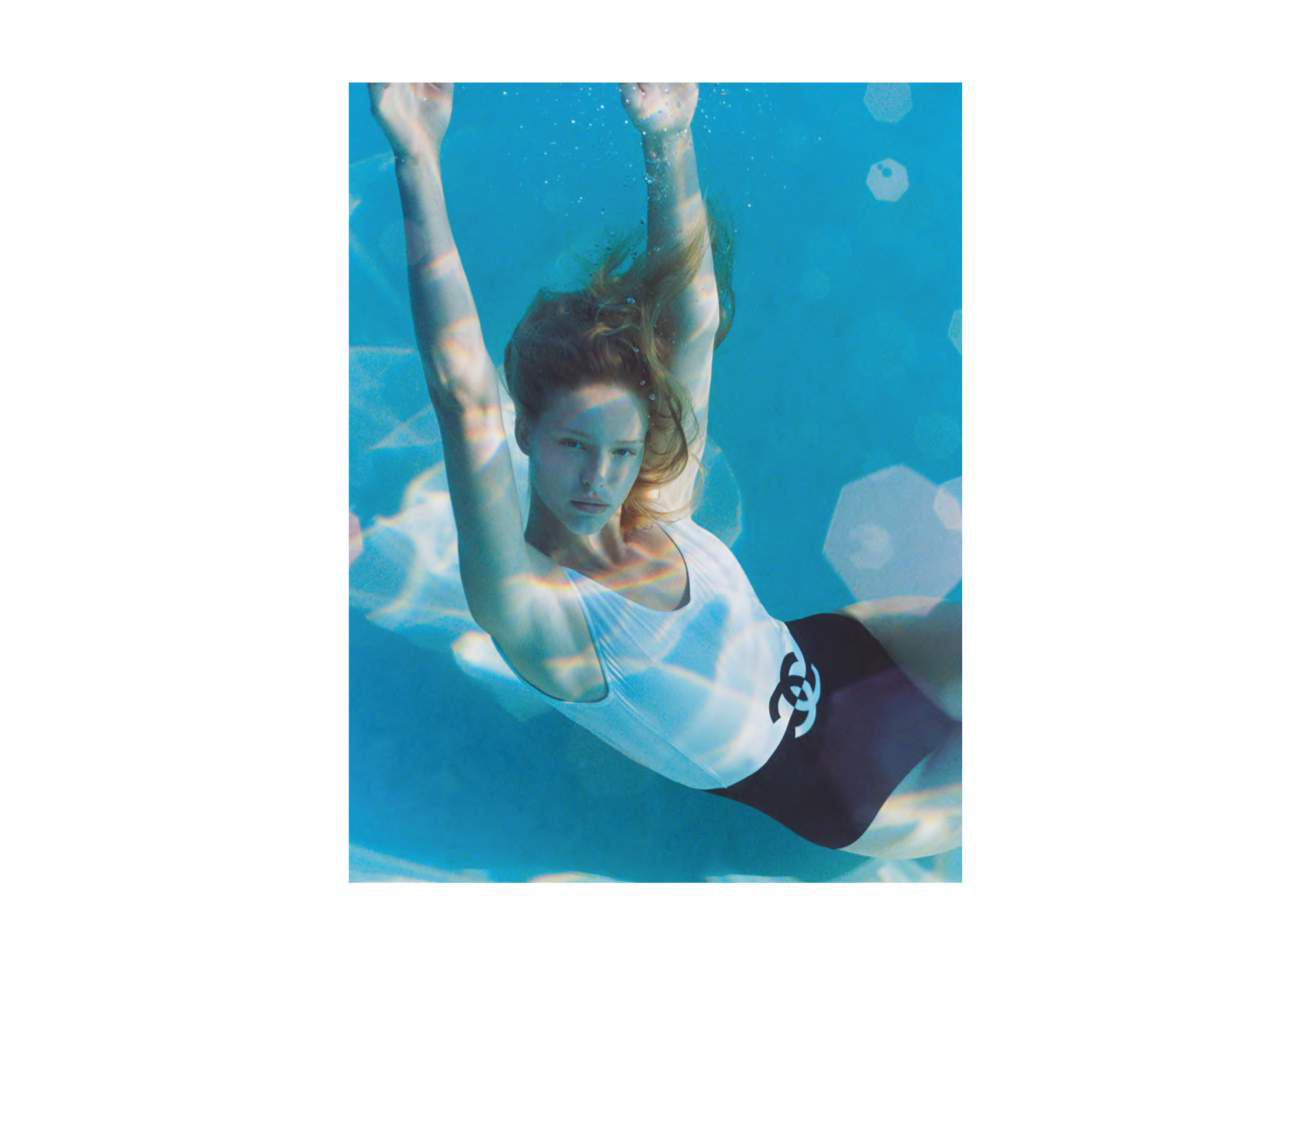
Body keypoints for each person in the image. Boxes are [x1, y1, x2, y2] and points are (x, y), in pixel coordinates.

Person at [367, 82, 961, 860]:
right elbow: (461, 393)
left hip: (841, 651)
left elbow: (692, 318)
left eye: (621, 451)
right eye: (573, 445)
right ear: (525, 430)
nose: (599, 478)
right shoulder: (539, 614)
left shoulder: (660, 502)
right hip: (860, 792)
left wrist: (669, 136)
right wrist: (416, 157)